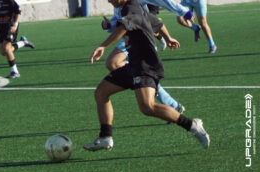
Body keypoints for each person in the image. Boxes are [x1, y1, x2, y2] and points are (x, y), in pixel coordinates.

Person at [84, 0, 210, 151]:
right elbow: (157, 22)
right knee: (101, 93)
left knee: (147, 107)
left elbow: (124, 27)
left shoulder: (131, 8)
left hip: (146, 66)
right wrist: (168, 38)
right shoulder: (131, 8)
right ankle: (105, 137)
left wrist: (103, 46)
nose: (109, 0)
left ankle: (191, 125)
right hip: (133, 66)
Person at [102, 6, 185, 116]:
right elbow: (119, 20)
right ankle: (171, 104)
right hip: (128, 37)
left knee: (113, 63)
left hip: (139, 37)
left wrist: (167, 36)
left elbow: (149, 18)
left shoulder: (134, 4)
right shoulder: (119, 4)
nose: (109, 1)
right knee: (114, 65)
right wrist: (108, 25)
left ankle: (173, 106)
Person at [0, 0, 35, 78]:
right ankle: (23, 42)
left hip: (10, 27)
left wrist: (15, 25)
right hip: (0, 28)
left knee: (7, 48)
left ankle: (15, 71)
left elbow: (18, 12)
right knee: (3, 52)